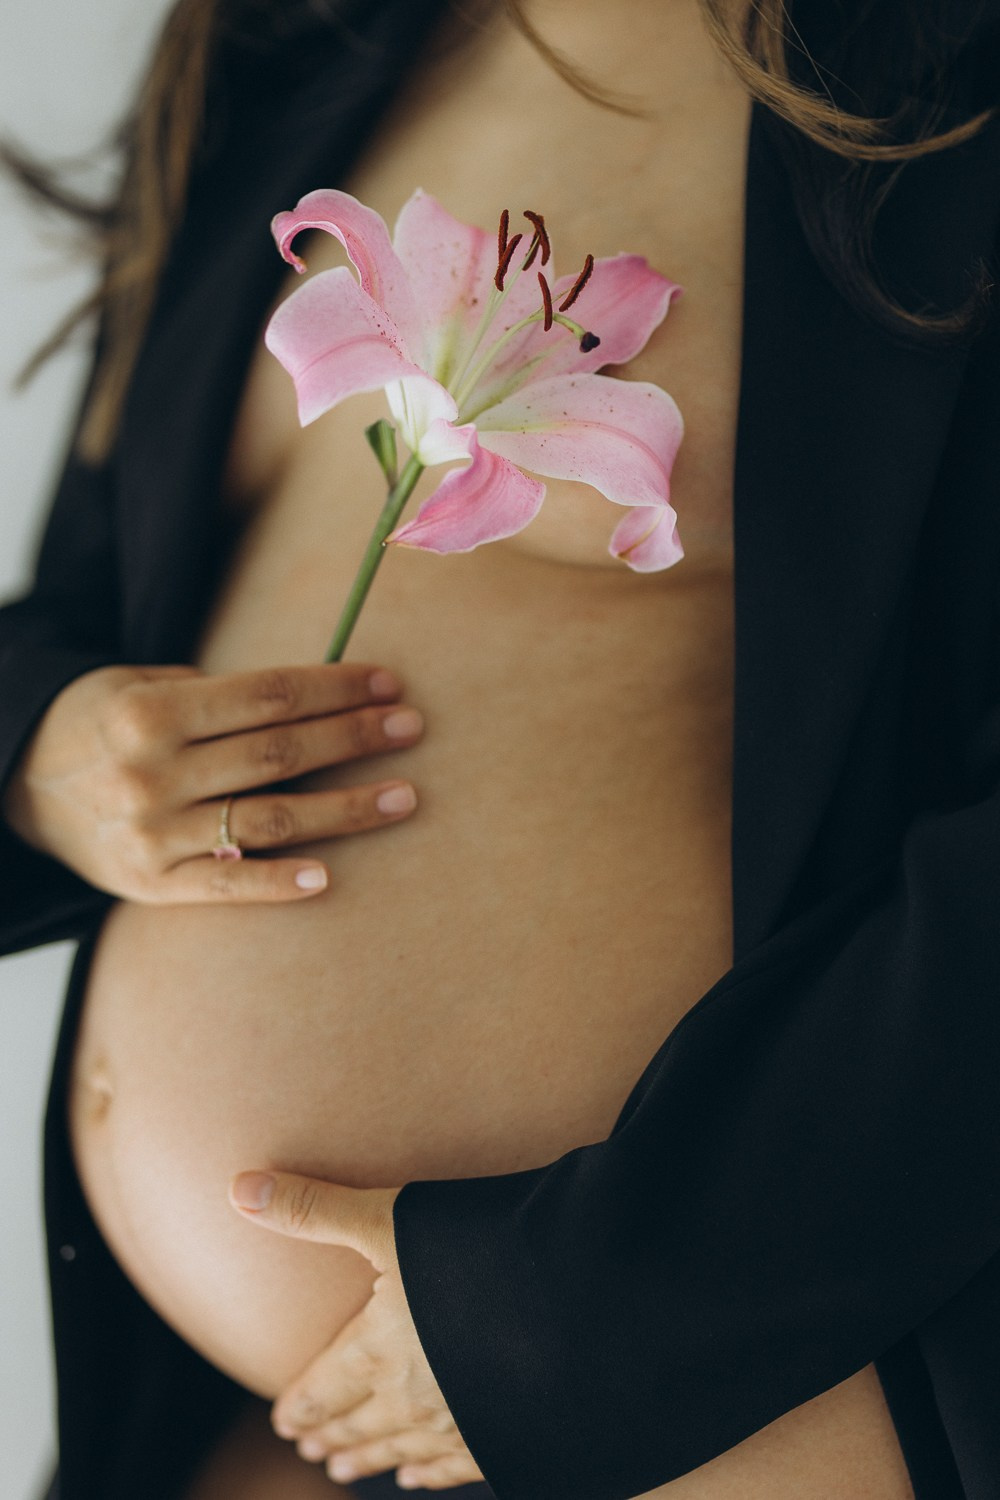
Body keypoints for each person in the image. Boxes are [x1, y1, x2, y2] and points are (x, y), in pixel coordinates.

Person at [2, 1, 1000, 1497]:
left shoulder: (957, 88)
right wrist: (46, 757)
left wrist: (583, 1317)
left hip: (722, 1390)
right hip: (252, 1418)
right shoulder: (294, 30)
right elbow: (91, 594)